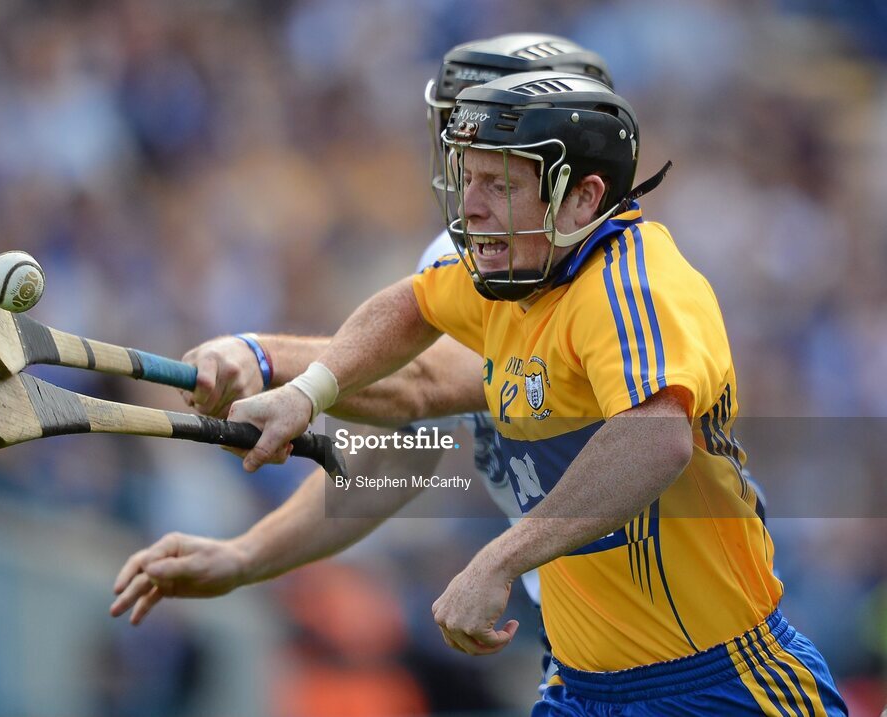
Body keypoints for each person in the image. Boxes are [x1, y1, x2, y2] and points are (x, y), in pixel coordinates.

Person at [215, 71, 847, 714]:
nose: (470, 207)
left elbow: (656, 439)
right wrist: (309, 392)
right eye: (469, 179)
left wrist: (500, 559)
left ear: (582, 198)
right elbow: (411, 306)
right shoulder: (516, 274)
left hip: (719, 684)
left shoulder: (634, 286)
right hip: (579, 687)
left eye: (500, 185)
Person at [111, 34, 615, 703]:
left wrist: (263, 357)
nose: (465, 172)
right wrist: (245, 556)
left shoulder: (597, 271)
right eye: (459, 140)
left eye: (494, 147)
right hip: (583, 646)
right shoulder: (462, 260)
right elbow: (392, 460)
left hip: (681, 638)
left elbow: (425, 382)